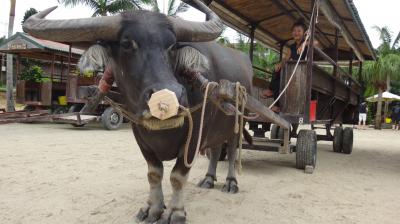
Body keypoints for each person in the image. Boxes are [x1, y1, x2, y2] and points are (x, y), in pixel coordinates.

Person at [262, 20, 314, 112]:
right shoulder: (292, 47)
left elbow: (317, 44)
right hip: (291, 72)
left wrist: (305, 44)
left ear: (304, 33)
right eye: (294, 30)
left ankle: (274, 97)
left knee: (282, 78)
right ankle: (272, 93)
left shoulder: (308, 43)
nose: (296, 33)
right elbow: (285, 59)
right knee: (277, 72)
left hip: (303, 73)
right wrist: (280, 64)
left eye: (299, 31)